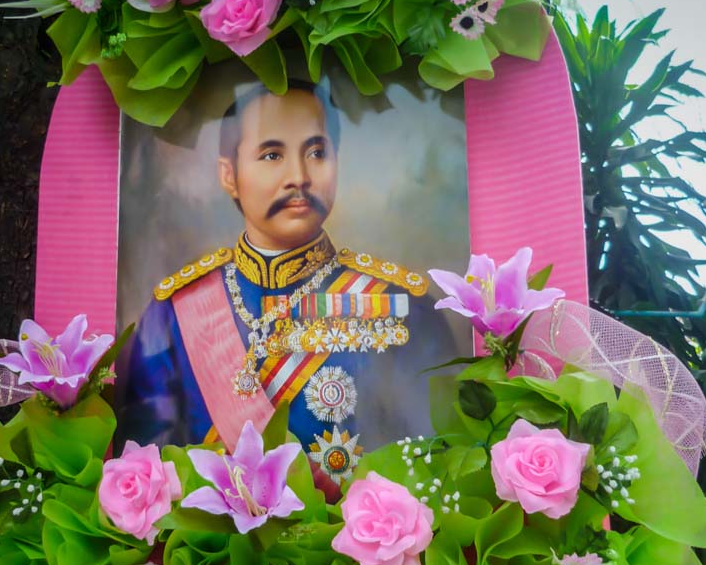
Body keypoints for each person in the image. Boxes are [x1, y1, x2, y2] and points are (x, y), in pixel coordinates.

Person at [116, 81, 459, 487]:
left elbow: (435, 471)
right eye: (272, 154)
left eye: (316, 152)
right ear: (229, 175)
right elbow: (144, 479)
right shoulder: (173, 317)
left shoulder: (404, 309)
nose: (298, 176)